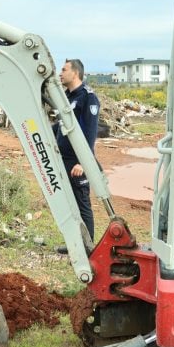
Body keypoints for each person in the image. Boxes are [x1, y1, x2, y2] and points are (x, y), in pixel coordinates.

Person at [55, 59, 100, 254]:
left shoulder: (88, 98)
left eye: (64, 70)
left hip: (77, 162)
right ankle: (75, 243)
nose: (60, 73)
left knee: (82, 203)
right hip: (63, 159)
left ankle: (88, 248)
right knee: (70, 205)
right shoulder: (66, 97)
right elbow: (60, 126)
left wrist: (83, 162)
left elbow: (90, 133)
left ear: (75, 73)